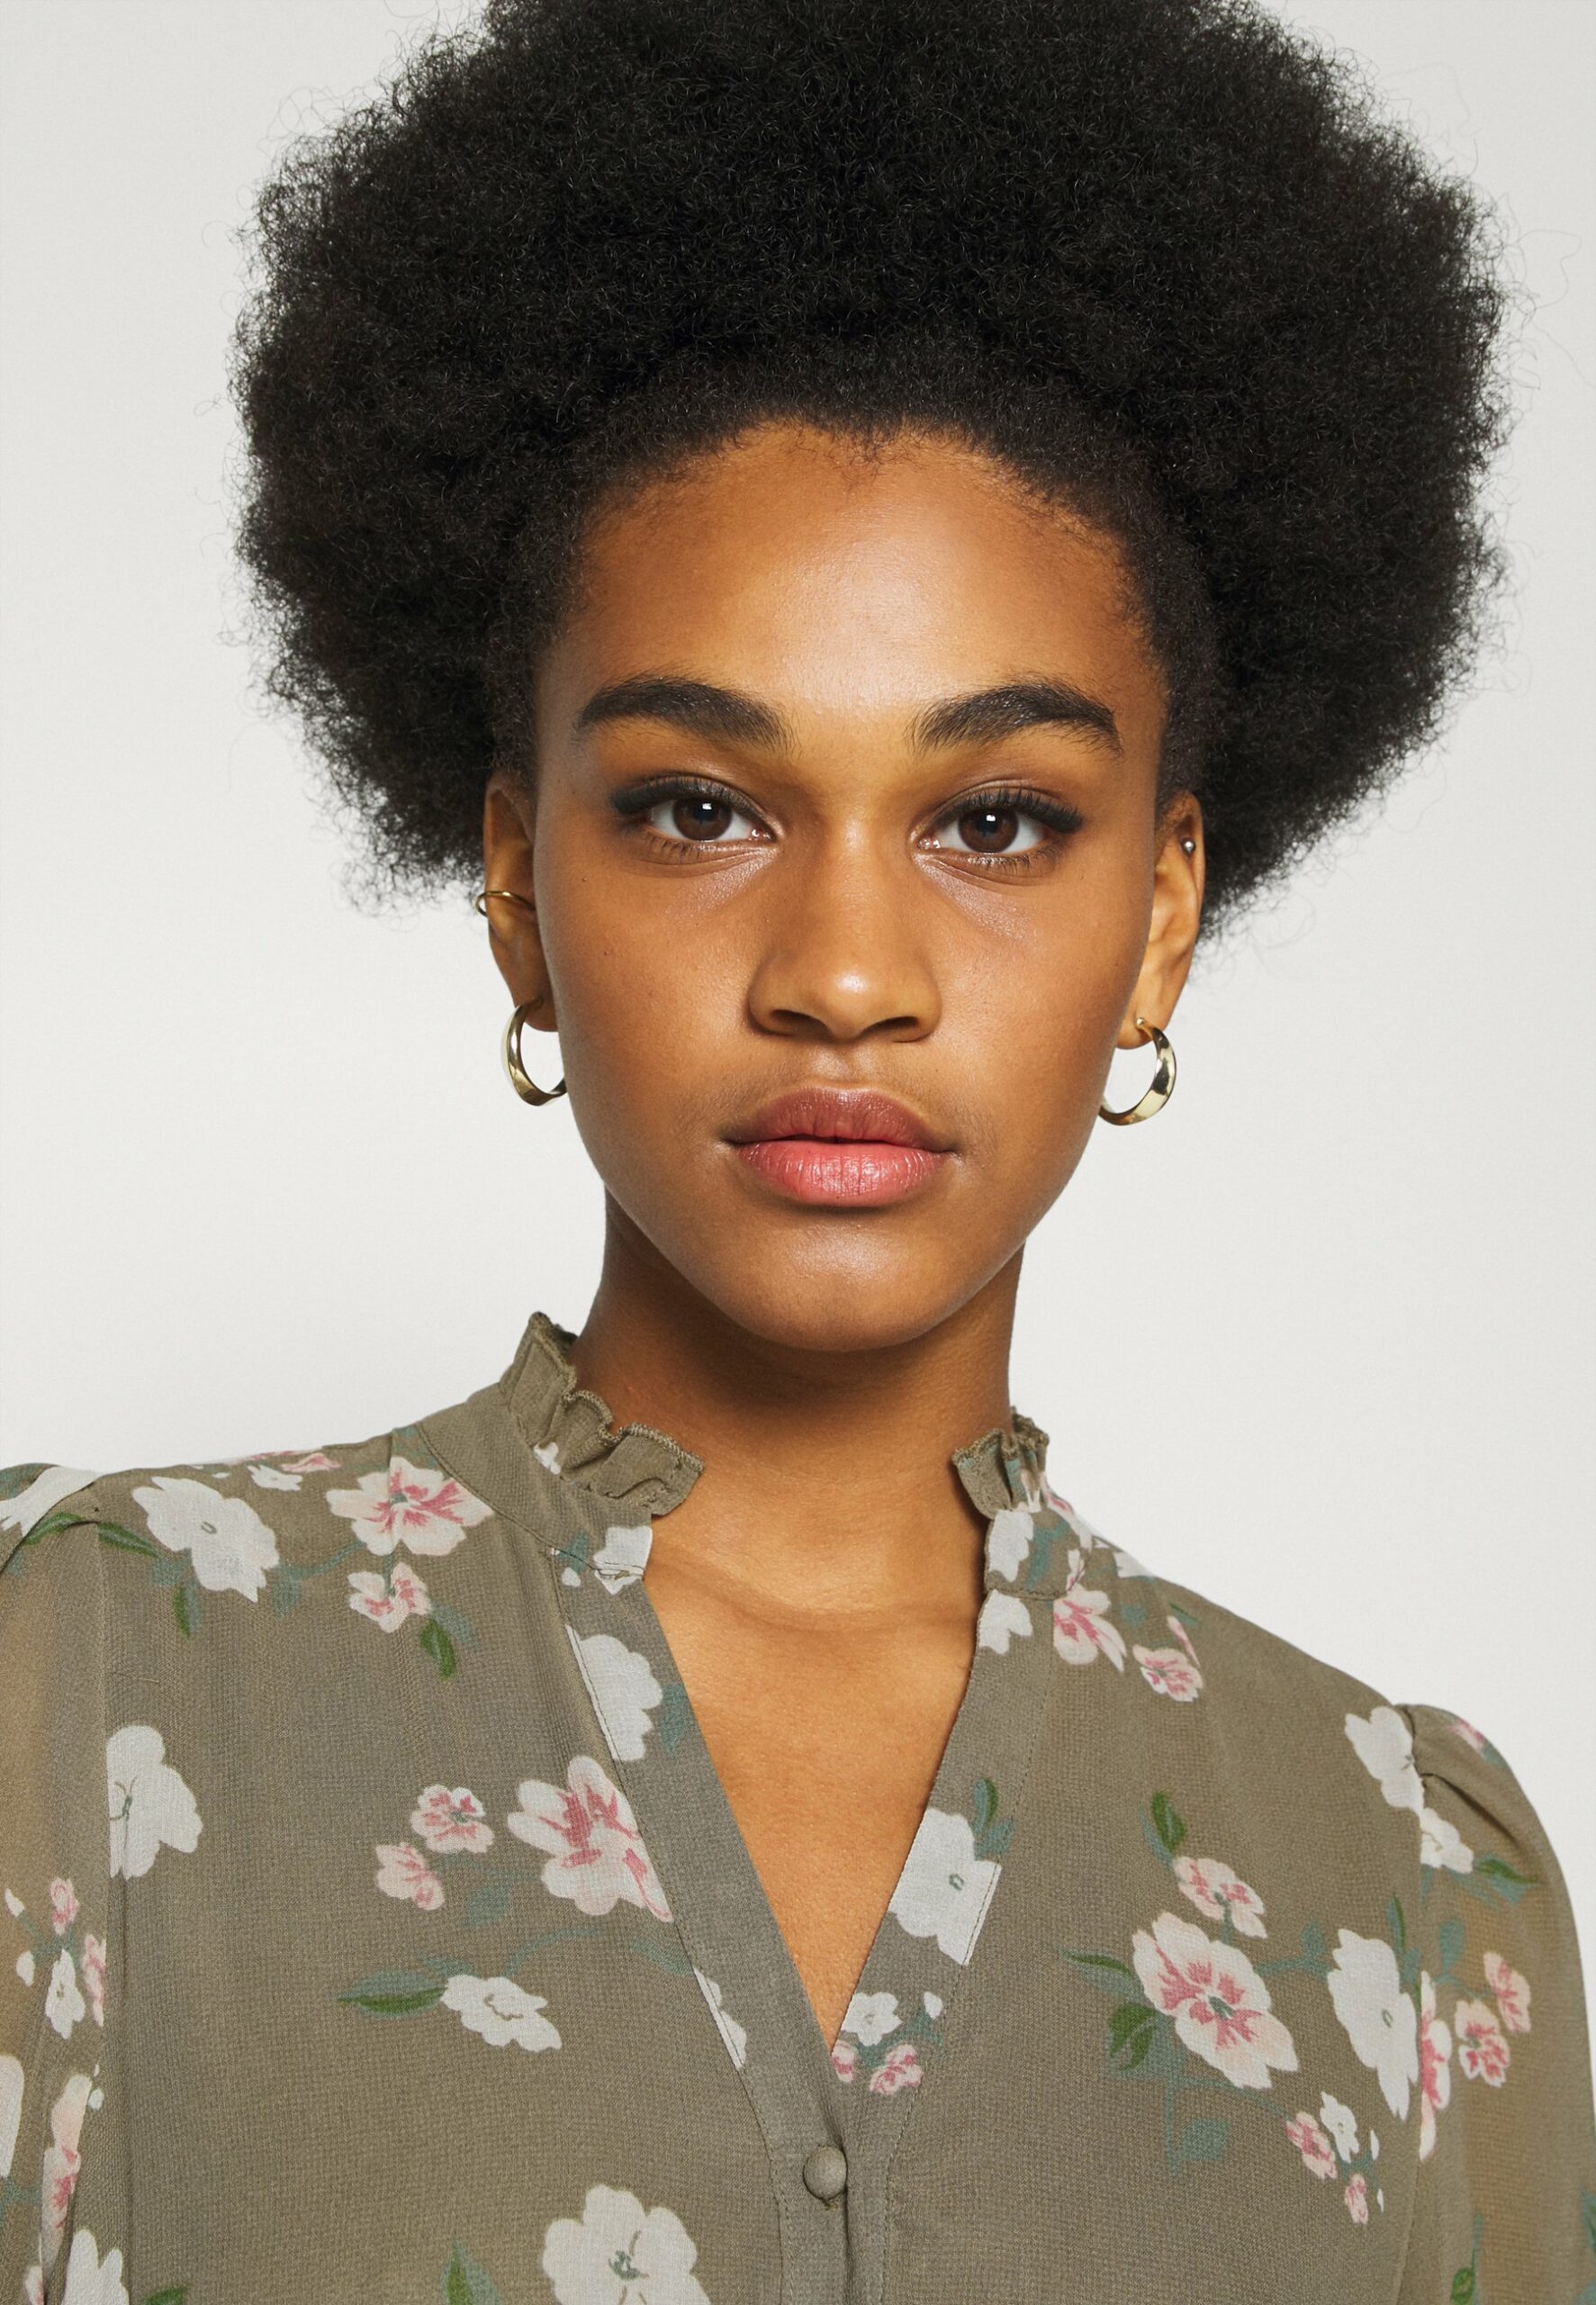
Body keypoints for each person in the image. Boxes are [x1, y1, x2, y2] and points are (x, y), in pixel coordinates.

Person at [2, 0, 1591, 2295]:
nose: (843, 971)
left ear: (1160, 916)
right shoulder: (96, 1684)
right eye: (695, 807)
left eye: (993, 822)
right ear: (516, 882)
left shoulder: (1406, 1884)